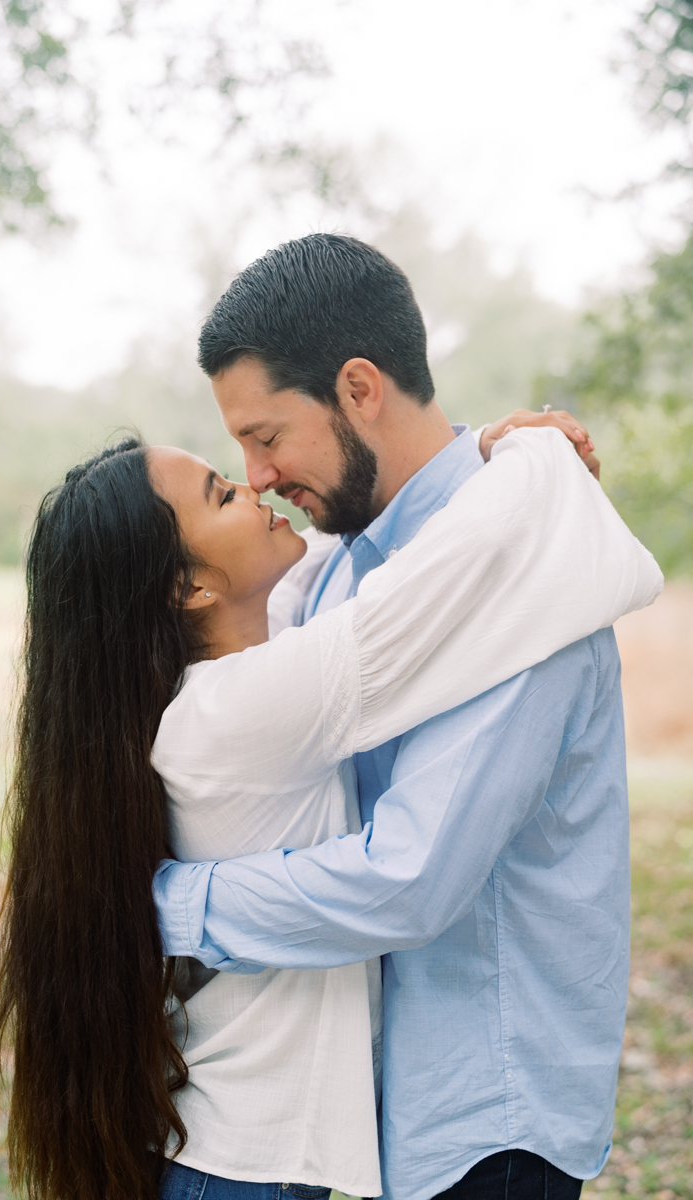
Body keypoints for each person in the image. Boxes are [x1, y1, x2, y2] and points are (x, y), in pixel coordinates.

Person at [152, 234, 659, 1200]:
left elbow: (408, 879)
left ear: (358, 387)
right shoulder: (347, 561)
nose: (255, 475)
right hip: (381, 1107)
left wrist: (157, 905)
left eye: (265, 437)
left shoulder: (529, 565)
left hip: (486, 1119)